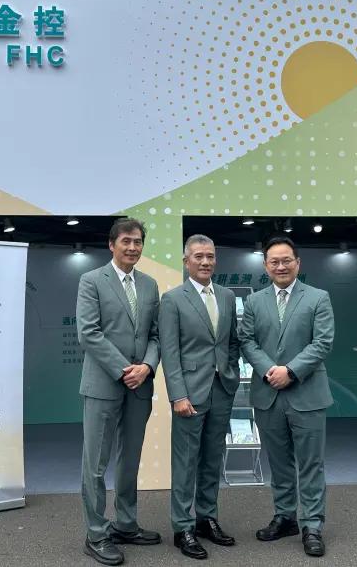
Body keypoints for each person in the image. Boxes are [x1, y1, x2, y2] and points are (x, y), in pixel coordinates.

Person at [238, 237, 335, 558]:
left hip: (307, 393)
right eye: (274, 262)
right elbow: (246, 340)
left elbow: (322, 343)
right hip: (268, 393)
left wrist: (290, 371)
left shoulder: (318, 298)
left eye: (286, 260)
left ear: (298, 263)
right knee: (279, 463)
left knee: (311, 464)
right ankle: (285, 516)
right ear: (266, 266)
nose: (281, 266)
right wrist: (270, 370)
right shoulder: (254, 302)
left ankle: (312, 525)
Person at [77, 217, 161, 565]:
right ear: (111, 245)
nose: (132, 247)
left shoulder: (150, 285)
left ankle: (126, 524)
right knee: (95, 464)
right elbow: (88, 332)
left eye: (138, 241)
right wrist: (125, 369)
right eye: (126, 241)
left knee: (129, 460)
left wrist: (147, 366)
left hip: (140, 386)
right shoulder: (92, 280)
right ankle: (96, 533)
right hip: (104, 384)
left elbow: (155, 335)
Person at [159, 235, 240, 560]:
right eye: (198, 257)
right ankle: (183, 527)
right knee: (185, 461)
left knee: (212, 458)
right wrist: (177, 395)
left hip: (221, 389)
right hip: (189, 394)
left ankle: (206, 518)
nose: (205, 262)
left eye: (210, 256)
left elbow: (231, 341)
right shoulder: (172, 299)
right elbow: (169, 351)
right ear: (186, 261)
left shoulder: (227, 295)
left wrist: (231, 371)